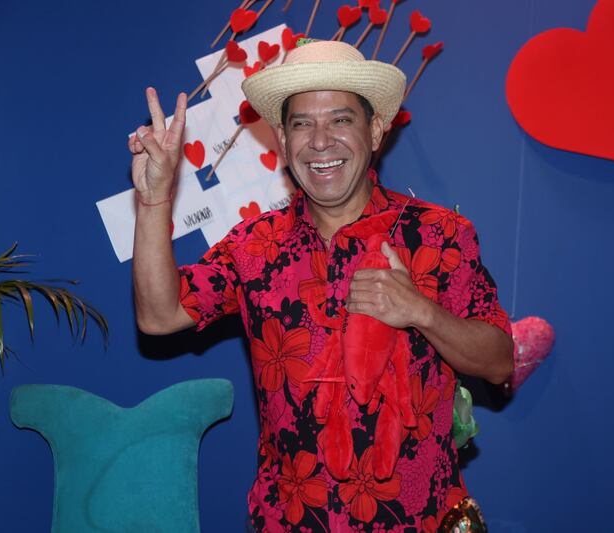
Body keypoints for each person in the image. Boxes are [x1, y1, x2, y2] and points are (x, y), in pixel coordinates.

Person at [128, 39, 514, 533]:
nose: (320, 141)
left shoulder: (441, 235)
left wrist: (422, 311)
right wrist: (154, 201)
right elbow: (159, 315)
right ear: (282, 140)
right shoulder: (254, 246)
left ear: (375, 130)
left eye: (340, 120)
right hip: (289, 521)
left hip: (422, 520)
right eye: (301, 124)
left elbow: (500, 361)